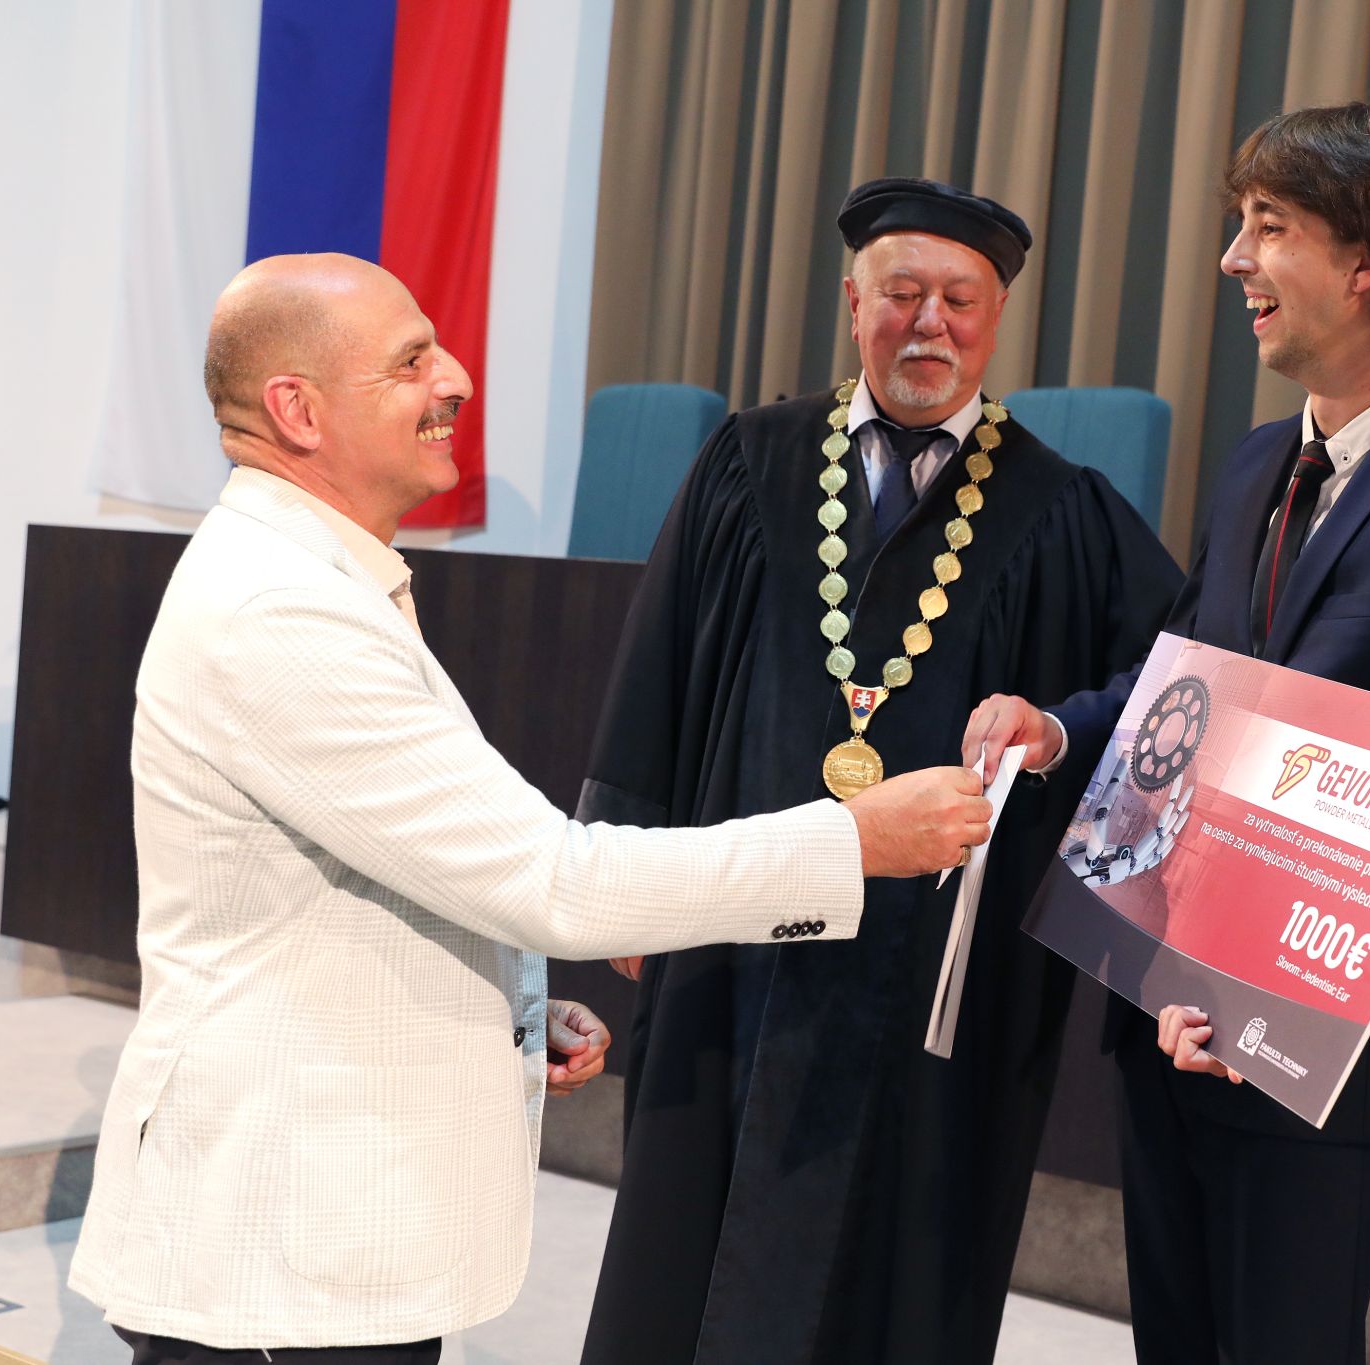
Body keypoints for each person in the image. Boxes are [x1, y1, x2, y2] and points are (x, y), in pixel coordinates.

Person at [66, 253, 991, 1364]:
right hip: (278, 1248)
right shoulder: (280, 612)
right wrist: (852, 843)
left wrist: (489, 1006)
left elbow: (364, 876)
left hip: (313, 1234)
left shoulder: (314, 577)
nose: (454, 378)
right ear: (296, 410)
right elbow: (556, 883)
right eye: (409, 363)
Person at [964, 104, 1370, 1363]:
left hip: (1305, 1059)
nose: (1230, 261)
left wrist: (1261, 997)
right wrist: (1058, 728)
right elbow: (1180, 685)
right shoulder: (1255, 463)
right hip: (1163, 1010)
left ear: (1368, 262)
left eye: (1268, 228)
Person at [577, 179, 1183, 1365]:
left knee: (903, 1259)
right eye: (901, 293)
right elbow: (652, 670)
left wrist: (1052, 724)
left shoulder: (1061, 510)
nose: (930, 324)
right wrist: (623, 865)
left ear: (995, 318)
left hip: (936, 975)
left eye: (960, 299)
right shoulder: (751, 462)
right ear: (852, 303)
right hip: (732, 929)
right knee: (687, 1230)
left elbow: (1171, 694)